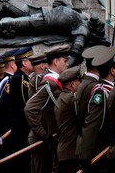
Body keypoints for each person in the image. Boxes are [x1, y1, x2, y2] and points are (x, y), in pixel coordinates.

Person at [24, 45, 70, 173]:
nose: (67, 64)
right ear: (56, 61)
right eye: (65, 61)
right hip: (49, 136)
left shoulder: (57, 80)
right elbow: (29, 109)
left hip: (58, 137)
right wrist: (42, 134)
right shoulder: (50, 82)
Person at [77, 46, 115, 173]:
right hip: (100, 149)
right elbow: (93, 124)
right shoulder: (100, 92)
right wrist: (85, 156)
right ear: (112, 70)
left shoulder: (109, 89)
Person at [8, 48, 34, 173]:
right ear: (24, 63)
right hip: (22, 124)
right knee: (22, 159)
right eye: (30, 60)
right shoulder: (20, 79)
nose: (32, 63)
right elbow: (26, 104)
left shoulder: (23, 78)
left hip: (21, 123)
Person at [0, 49, 17, 172]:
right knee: (4, 165)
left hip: (2, 129)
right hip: (3, 130)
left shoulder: (2, 83)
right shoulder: (5, 84)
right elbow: (2, 109)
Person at [54, 66, 82, 173]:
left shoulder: (62, 97)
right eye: (79, 81)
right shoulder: (70, 99)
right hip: (71, 151)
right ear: (73, 84)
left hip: (64, 151)